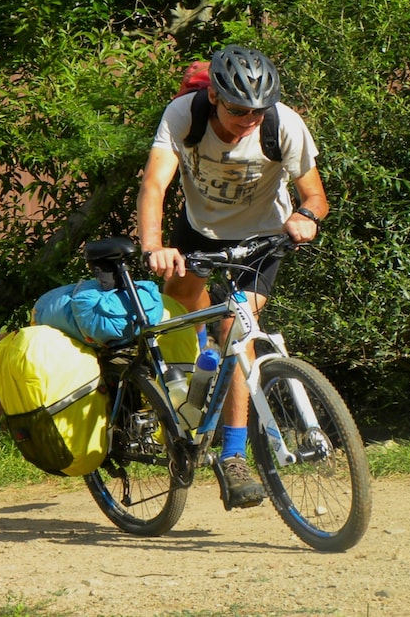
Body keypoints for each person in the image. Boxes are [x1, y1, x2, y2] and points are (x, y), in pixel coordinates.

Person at [137, 45, 329, 507]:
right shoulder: (185, 115)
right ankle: (190, 393)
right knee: (178, 315)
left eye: (258, 111)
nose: (250, 120)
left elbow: (315, 196)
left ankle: (233, 455)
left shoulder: (283, 124)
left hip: (263, 237)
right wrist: (153, 246)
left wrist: (306, 217)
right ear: (215, 98)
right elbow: (154, 184)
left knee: (236, 329)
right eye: (239, 110)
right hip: (199, 231)